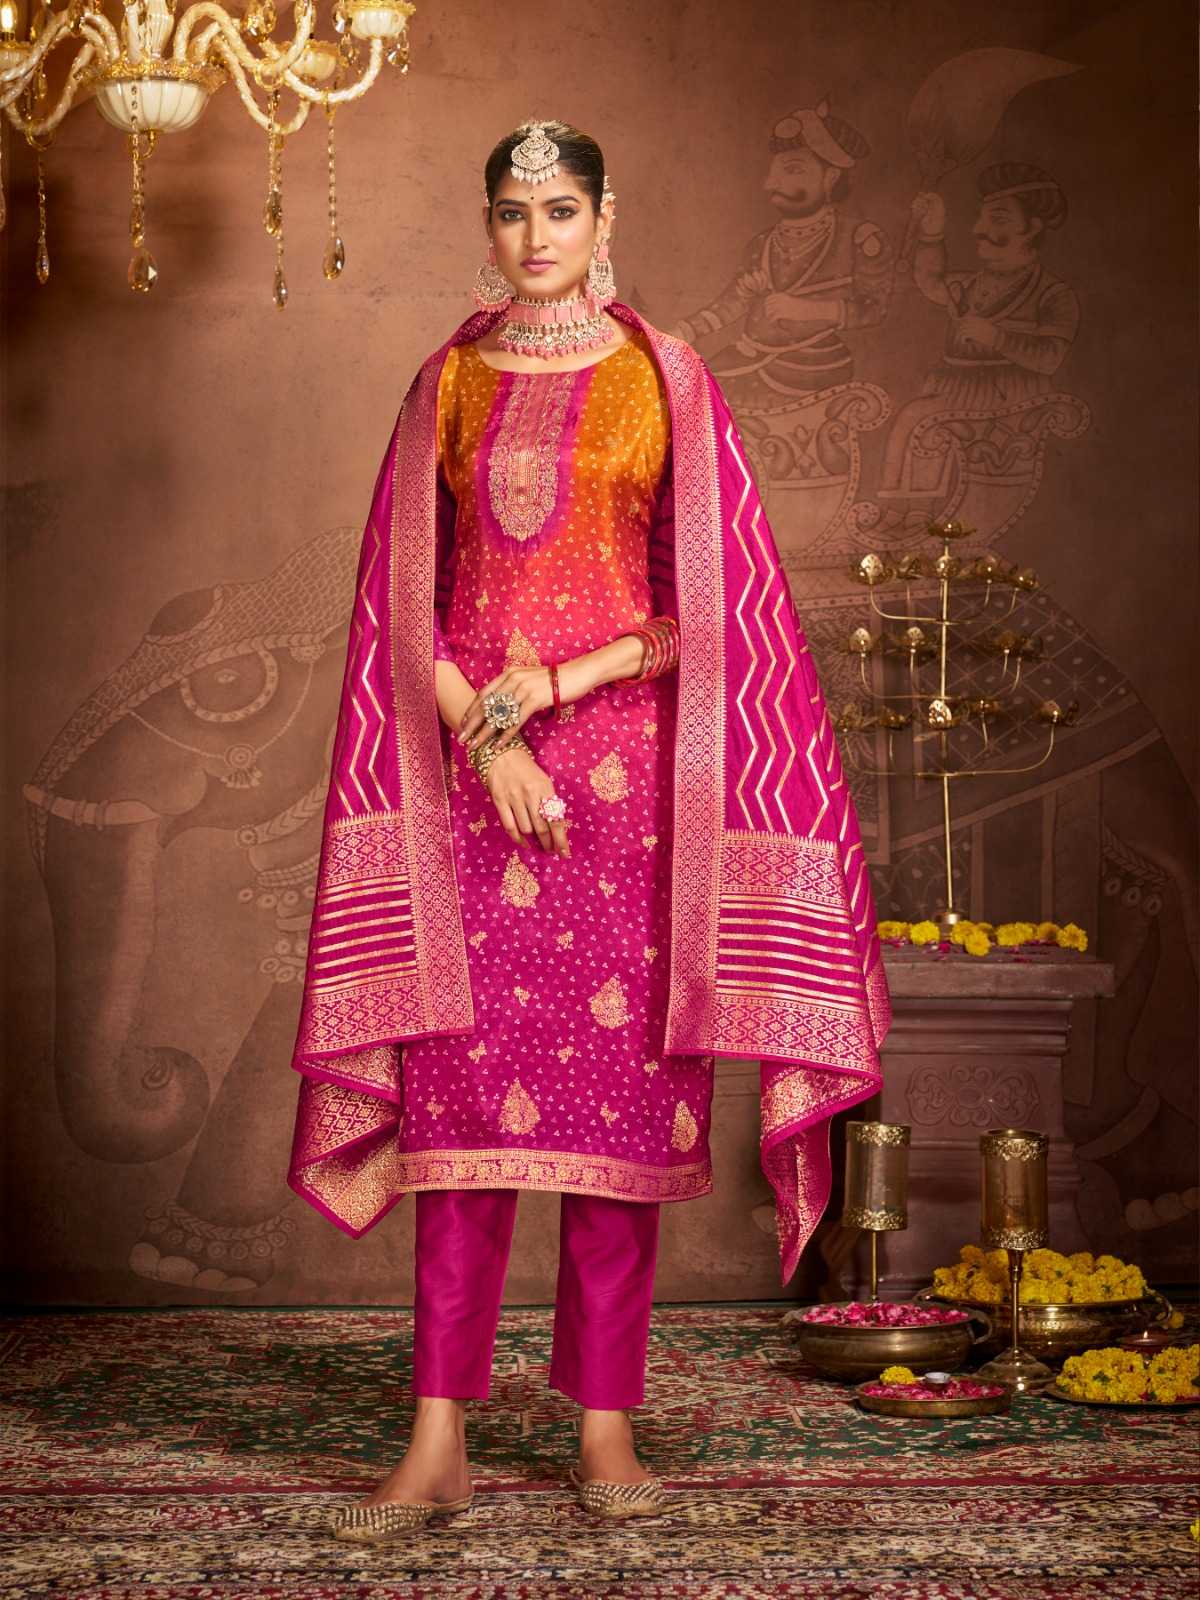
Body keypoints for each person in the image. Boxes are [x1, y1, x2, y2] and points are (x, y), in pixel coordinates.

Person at [285, 118, 891, 1546]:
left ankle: (604, 1428)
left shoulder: (667, 377)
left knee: (612, 1120)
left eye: (560, 209)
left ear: (604, 216)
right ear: (486, 226)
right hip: (466, 788)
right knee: (459, 1118)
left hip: (627, 799)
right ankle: (437, 1436)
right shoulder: (443, 381)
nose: (536, 236)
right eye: (512, 212)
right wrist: (488, 738)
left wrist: (553, 690)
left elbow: (703, 615)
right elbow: (402, 602)